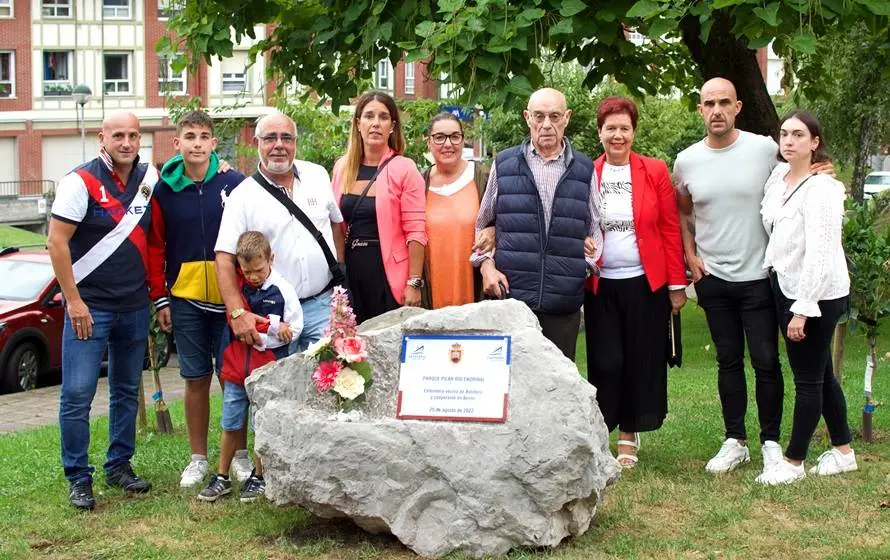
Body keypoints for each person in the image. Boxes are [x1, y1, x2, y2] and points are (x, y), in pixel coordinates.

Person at [674, 77, 832, 477]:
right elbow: (683, 214)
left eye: (724, 102)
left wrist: (820, 168)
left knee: (765, 362)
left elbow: (799, 174)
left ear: (738, 107)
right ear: (699, 109)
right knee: (728, 361)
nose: (717, 111)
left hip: (760, 277)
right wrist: (691, 258)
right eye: (709, 103)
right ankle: (735, 441)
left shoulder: (764, 149)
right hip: (713, 279)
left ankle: (771, 443)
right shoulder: (686, 160)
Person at [47, 111, 155, 510]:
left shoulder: (148, 178)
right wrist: (73, 301)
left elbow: (186, 170)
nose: (127, 142)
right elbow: (56, 243)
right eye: (119, 136)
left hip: (134, 305)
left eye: (133, 135)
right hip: (88, 308)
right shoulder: (81, 181)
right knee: (77, 395)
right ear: (102, 138)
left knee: (126, 390)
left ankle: (119, 465)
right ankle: (78, 477)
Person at [146, 110, 251, 488]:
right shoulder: (164, 190)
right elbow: (156, 245)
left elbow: (248, 237)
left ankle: (238, 454)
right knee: (195, 378)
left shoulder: (234, 183)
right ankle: (198, 458)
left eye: (203, 136)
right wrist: (160, 298)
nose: (196, 143)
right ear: (177, 143)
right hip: (185, 298)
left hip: (230, 298)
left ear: (213, 143)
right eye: (189, 136)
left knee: (233, 379)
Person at [584, 96, 687, 468]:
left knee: (641, 360)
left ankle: (629, 433)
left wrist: (677, 284)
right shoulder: (586, 172)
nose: (617, 135)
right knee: (606, 361)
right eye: (610, 127)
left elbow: (670, 229)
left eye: (624, 128)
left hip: (645, 283)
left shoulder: (655, 171)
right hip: (600, 285)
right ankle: (603, 430)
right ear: (599, 133)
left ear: (633, 132)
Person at [756, 110, 856, 485]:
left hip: (815, 293)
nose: (789, 141)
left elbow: (820, 252)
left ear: (815, 143)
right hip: (784, 283)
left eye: (798, 135)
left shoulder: (824, 190)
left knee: (808, 379)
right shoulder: (778, 178)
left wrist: (803, 309)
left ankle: (793, 461)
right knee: (822, 372)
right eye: (784, 134)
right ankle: (844, 451)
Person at [472, 87, 601, 360]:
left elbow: (595, 230)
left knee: (558, 388)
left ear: (567, 118)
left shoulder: (584, 168)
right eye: (539, 116)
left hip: (562, 302)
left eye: (554, 116)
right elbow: (483, 225)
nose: (546, 125)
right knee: (508, 389)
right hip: (511, 300)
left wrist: (582, 267)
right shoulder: (504, 163)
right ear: (527, 117)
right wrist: (486, 267)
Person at [216, 112, 343, 353]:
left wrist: (339, 280)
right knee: (280, 389)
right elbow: (223, 258)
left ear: (295, 142)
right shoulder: (242, 196)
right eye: (270, 138)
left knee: (330, 382)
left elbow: (336, 224)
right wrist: (237, 313)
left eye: (287, 138)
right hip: (274, 316)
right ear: (257, 143)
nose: (279, 145)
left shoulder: (318, 175)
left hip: (322, 306)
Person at [199, 231, 302, 502]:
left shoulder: (283, 290)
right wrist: (267, 323)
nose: (253, 276)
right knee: (230, 420)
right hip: (235, 368)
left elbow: (294, 327)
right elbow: (236, 319)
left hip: (266, 369)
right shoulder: (237, 289)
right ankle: (221, 476)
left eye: (258, 270)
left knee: (261, 422)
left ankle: (259, 475)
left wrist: (273, 328)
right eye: (246, 271)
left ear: (271, 259)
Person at [330, 91, 427, 323]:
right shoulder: (342, 168)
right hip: (352, 272)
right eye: (369, 116)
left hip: (388, 274)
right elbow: (335, 225)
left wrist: (414, 282)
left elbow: (416, 231)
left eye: (383, 117)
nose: (375, 123)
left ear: (392, 126)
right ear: (358, 123)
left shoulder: (404, 168)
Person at [423, 112, 486, 308]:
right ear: (429, 142)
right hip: (431, 292)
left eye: (454, 136)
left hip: (472, 289)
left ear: (463, 140)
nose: (448, 144)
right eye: (440, 137)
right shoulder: (418, 183)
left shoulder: (482, 177)